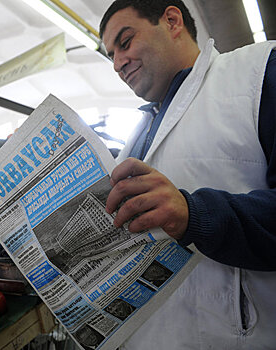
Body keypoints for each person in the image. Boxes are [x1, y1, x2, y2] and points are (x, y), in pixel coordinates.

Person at [99, 0, 276, 349]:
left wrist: (194, 215)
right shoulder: (135, 134)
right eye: (111, 56)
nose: (118, 63)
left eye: (125, 41)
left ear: (171, 20)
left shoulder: (259, 73)